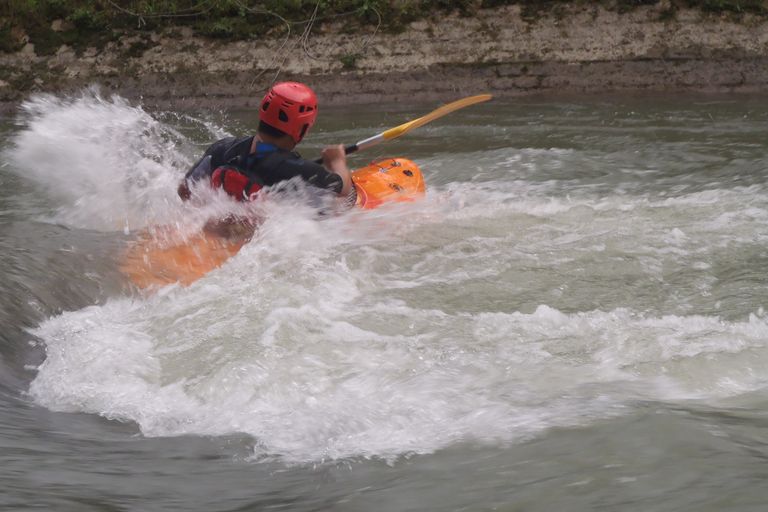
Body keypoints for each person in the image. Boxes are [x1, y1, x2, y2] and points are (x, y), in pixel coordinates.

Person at [177, 81, 355, 237]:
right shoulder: (295, 169)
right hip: (256, 241)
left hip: (212, 232)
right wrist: (337, 161)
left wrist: (210, 215)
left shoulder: (223, 148)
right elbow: (343, 191)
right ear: (301, 128)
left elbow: (185, 189)